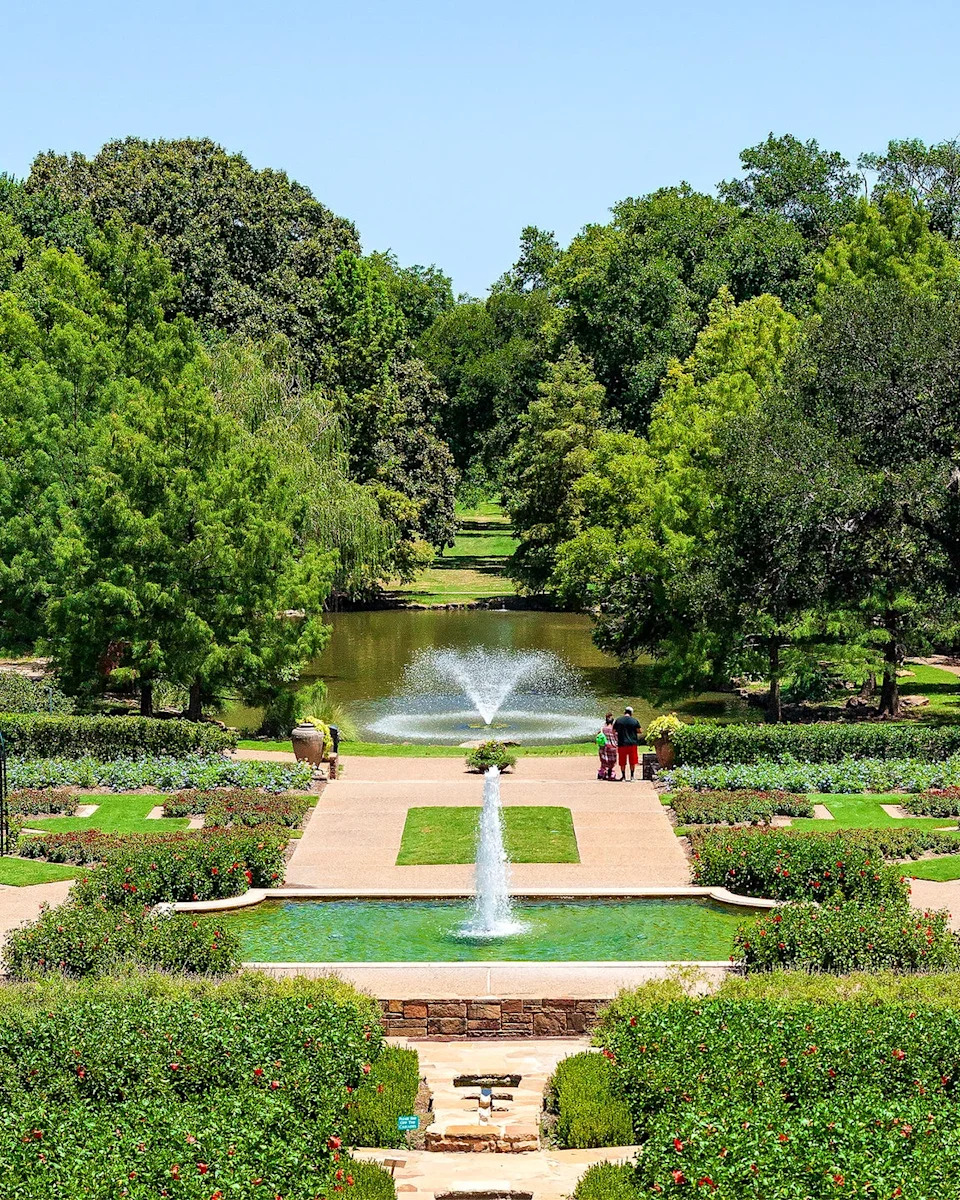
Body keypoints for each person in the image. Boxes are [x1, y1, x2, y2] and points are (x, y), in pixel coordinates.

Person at [613, 705, 643, 781]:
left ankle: (623, 776)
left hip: (622, 743)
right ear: (631, 713)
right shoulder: (634, 721)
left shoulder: (618, 720)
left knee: (622, 761)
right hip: (632, 743)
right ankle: (632, 776)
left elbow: (614, 731)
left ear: (624, 712)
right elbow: (640, 731)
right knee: (632, 761)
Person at [596, 712, 617, 780]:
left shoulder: (602, 728)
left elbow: (598, 735)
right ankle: (610, 773)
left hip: (603, 747)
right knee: (611, 762)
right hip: (612, 747)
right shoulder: (614, 728)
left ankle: (601, 773)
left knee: (604, 761)